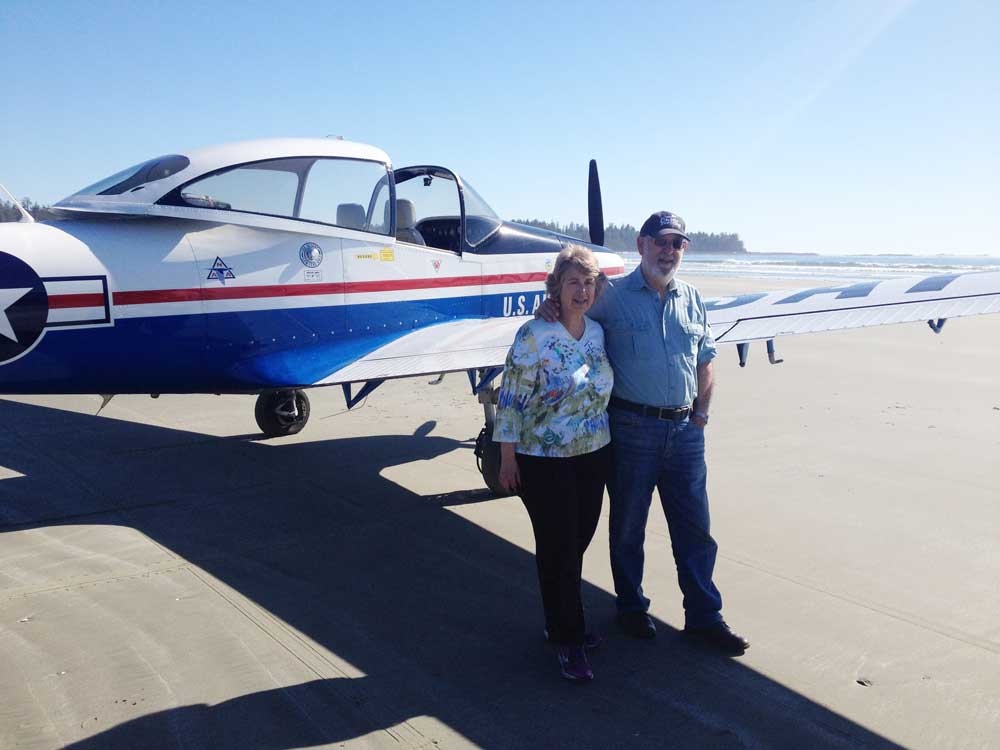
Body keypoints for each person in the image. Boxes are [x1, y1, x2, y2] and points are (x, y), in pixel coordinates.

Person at [539, 211, 749, 655]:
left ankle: (704, 617)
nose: (669, 251)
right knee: (628, 527)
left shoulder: (692, 297)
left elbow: (706, 358)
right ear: (641, 244)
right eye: (661, 242)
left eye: (677, 244)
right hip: (632, 429)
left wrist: (701, 416)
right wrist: (551, 306)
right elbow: (568, 314)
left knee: (695, 530)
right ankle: (632, 608)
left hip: (686, 430)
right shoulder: (611, 296)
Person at [494, 244, 614, 682]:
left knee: (575, 542)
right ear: (556, 288)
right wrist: (507, 458)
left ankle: (561, 621)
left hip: (593, 453)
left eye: (589, 283)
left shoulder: (598, 333)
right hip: (544, 458)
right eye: (572, 283)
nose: (581, 291)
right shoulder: (533, 334)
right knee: (560, 545)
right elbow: (510, 399)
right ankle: (569, 639)